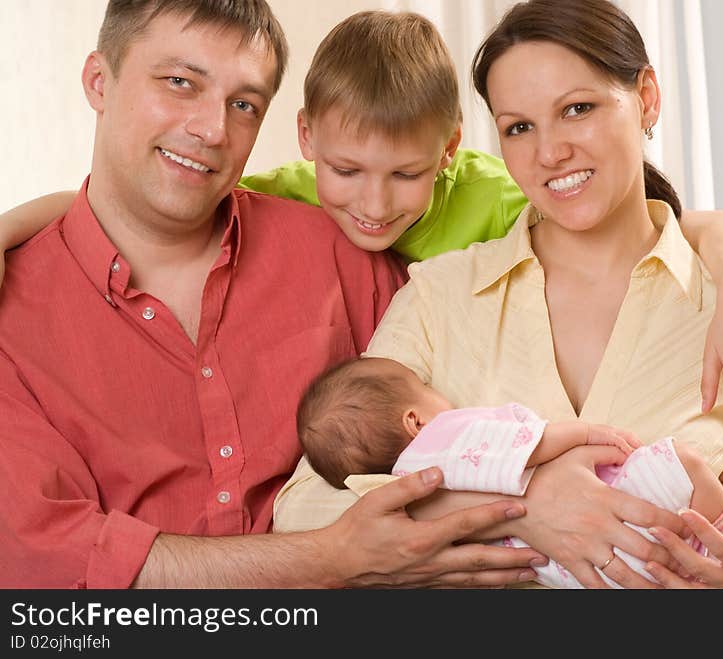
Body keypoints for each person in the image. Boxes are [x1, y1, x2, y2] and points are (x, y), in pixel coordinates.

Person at [1, 9, 723, 454]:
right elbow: (136, 194)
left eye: (407, 175)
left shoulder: (502, 197)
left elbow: (662, 230)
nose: (373, 205)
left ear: (450, 149)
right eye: (347, 171)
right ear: (307, 142)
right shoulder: (293, 196)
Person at [275, 0, 723, 589]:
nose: (549, 153)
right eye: (519, 127)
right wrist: (525, 501)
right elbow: (304, 512)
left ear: (647, 97)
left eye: (578, 109)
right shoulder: (439, 298)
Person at [0, 0, 559, 589]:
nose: (212, 130)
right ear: (98, 81)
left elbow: (469, 424)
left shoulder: (343, 253)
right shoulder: (14, 309)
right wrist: (330, 557)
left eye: (243, 104)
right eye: (180, 82)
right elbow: (45, 563)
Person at [292, 356, 723, 588]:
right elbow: (525, 445)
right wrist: (584, 436)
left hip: (559, 570)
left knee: (682, 552)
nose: (445, 397)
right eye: (430, 390)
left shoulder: (404, 484)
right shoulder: (443, 437)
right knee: (685, 464)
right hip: (603, 514)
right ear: (415, 418)